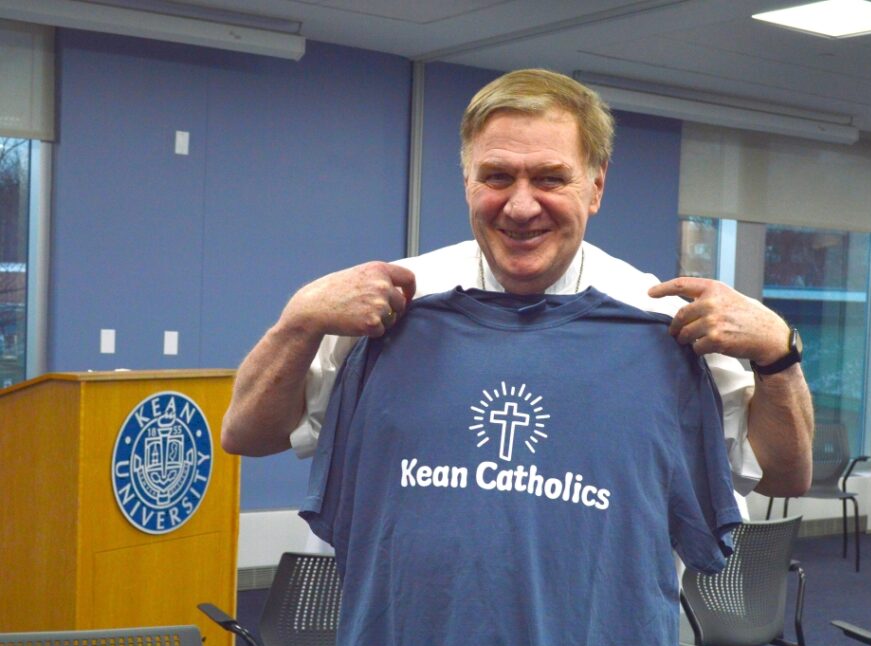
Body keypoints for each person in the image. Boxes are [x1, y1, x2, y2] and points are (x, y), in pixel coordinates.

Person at [222, 68, 812, 502]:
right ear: (467, 183)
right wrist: (297, 322)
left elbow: (783, 477)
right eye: (497, 177)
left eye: (552, 178)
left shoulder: (662, 322)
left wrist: (778, 355)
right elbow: (248, 434)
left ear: (596, 187)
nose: (522, 206)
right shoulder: (395, 302)